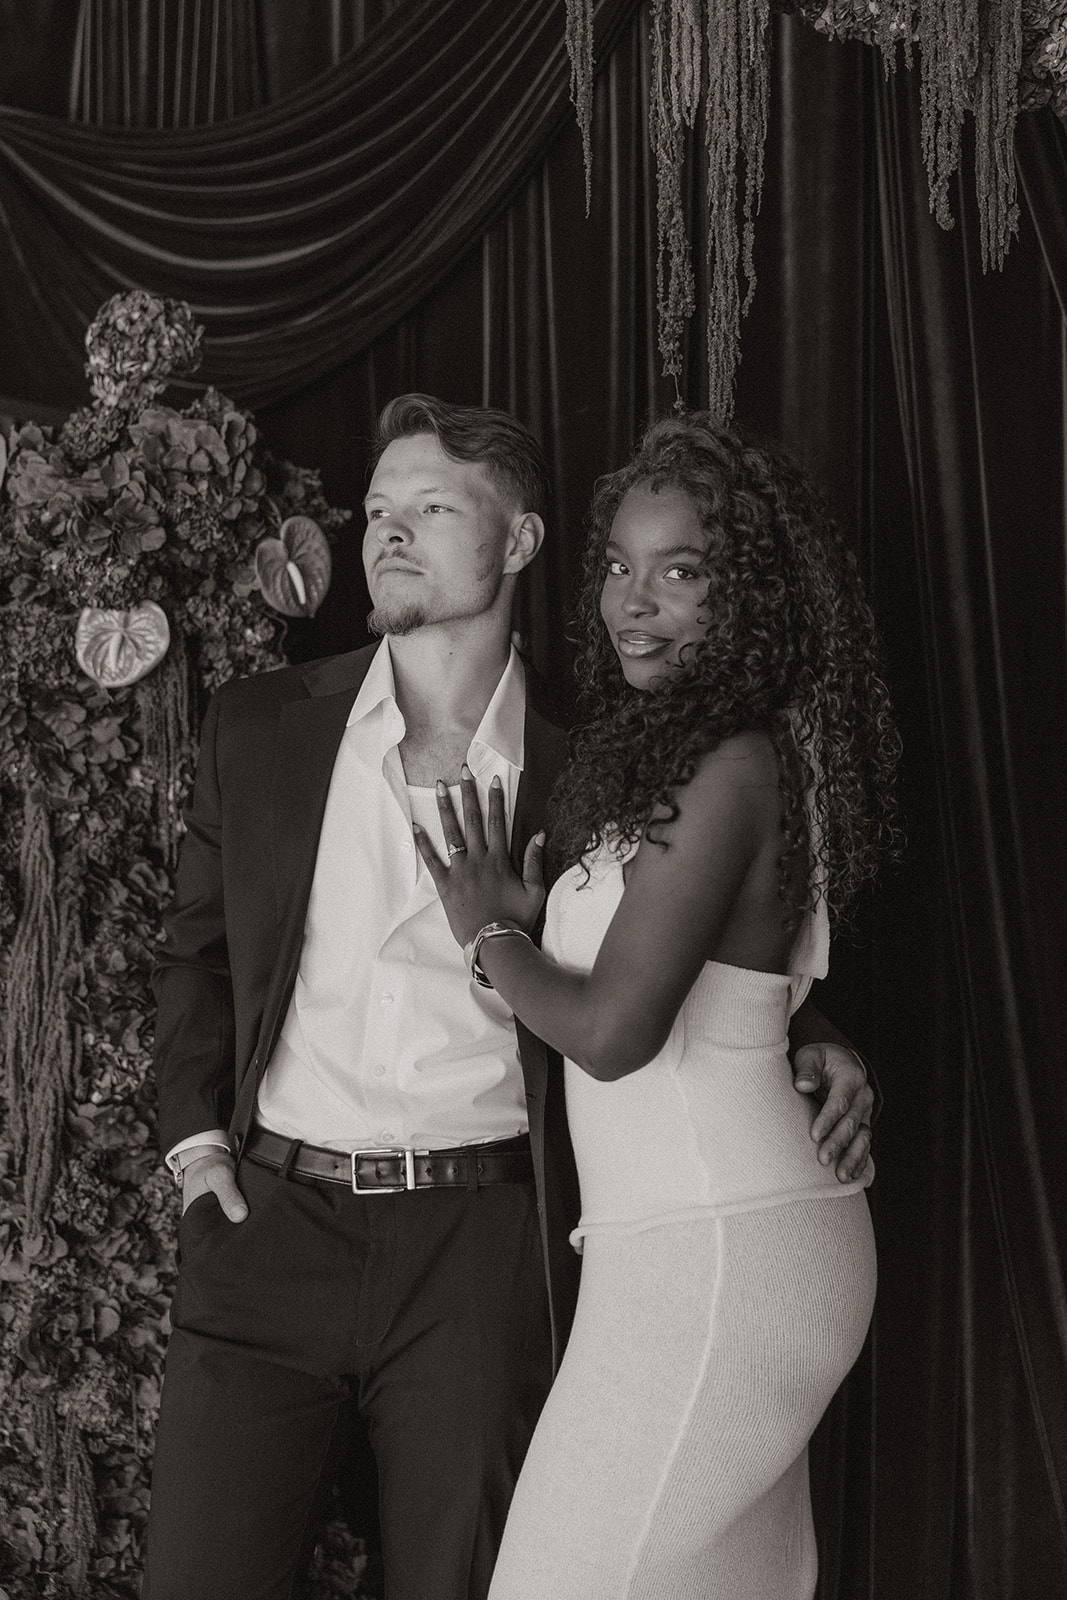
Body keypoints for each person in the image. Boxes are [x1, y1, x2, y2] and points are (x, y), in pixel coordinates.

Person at [144, 395, 875, 1600]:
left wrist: (810, 1034)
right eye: (379, 509)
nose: (390, 532)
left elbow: (687, 941)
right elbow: (196, 953)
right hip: (269, 1225)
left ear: (521, 540)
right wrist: (195, 1147)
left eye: (432, 508)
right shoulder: (262, 727)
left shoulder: (602, 753)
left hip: (480, 1250)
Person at [415, 411, 899, 1600]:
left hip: (717, 1251)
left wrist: (486, 928)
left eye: (678, 572)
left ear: (747, 594)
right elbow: (727, 987)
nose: (633, 604)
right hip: (694, 1242)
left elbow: (613, 1033)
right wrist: (526, 933)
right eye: (621, 568)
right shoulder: (683, 758)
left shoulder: (730, 764)